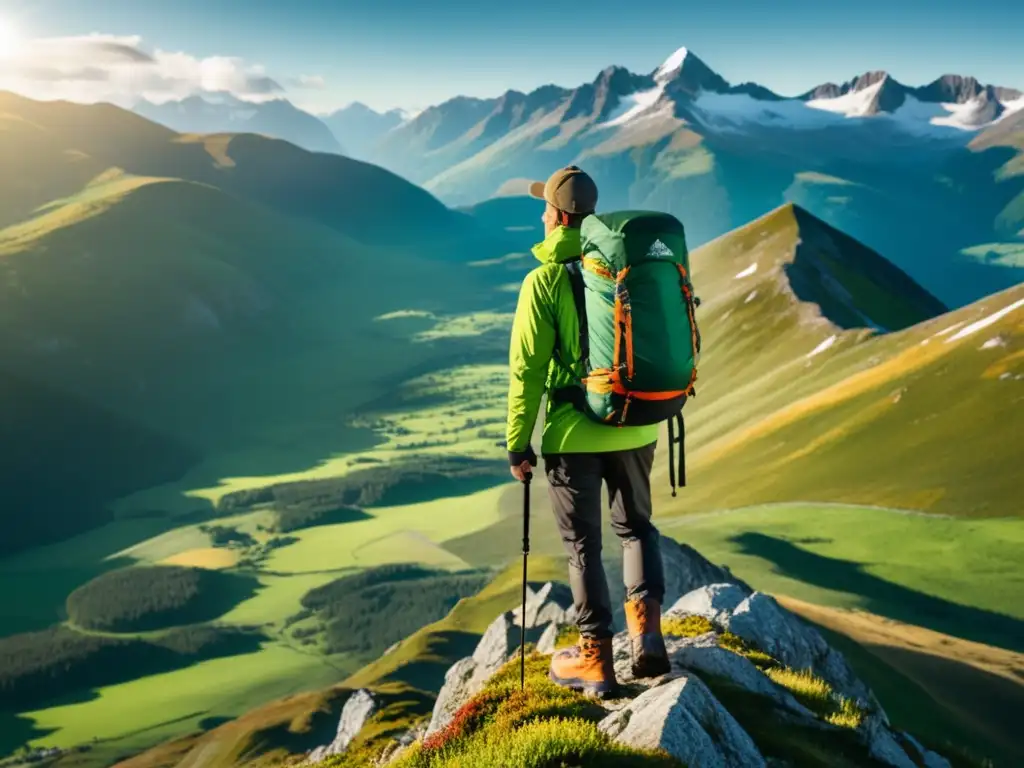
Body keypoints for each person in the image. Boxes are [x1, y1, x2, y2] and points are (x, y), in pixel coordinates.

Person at [506, 165, 669, 699]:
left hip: (574, 434)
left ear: (555, 216)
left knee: (583, 548)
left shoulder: (544, 279)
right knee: (637, 529)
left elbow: (527, 370)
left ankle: (596, 662)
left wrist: (517, 442)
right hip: (634, 421)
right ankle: (647, 641)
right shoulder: (620, 267)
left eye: (543, 209)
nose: (540, 216)